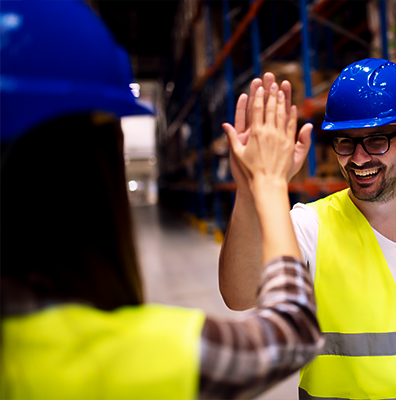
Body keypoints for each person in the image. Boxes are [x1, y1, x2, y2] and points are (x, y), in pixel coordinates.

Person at [0, 2, 323, 399]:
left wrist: (250, 189)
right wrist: (268, 182)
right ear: (90, 169)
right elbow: (290, 334)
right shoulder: (118, 357)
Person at [219, 58, 396, 399]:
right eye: (345, 142)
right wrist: (249, 188)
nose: (358, 159)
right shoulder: (310, 225)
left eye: (376, 141)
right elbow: (239, 296)